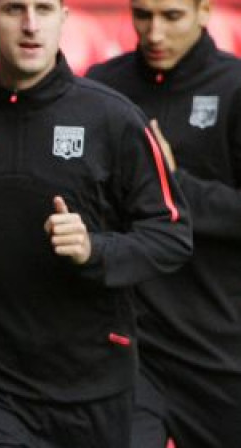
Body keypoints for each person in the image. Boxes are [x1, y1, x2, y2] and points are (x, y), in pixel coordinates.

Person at [0, 0, 194, 445]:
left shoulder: (113, 118)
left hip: (91, 383)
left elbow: (171, 234)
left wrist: (95, 249)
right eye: (15, 9)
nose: (31, 25)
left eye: (44, 8)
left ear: (63, 18)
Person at [87, 0, 241, 446]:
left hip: (218, 350)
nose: (154, 32)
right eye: (142, 15)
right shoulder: (103, 87)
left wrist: (173, 186)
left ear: (204, 11)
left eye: (171, 16)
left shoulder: (234, 87)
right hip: (132, 349)